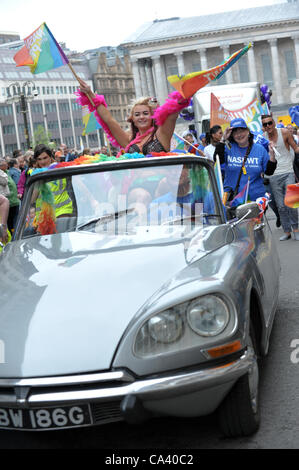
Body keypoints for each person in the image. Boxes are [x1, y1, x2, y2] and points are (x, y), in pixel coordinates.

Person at [76, 77, 190, 155]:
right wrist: (89, 94)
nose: (141, 117)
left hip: (159, 184)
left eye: (146, 113)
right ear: (132, 119)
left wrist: (184, 96)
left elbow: (171, 116)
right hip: (133, 185)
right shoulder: (128, 139)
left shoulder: (161, 134)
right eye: (137, 114)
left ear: (153, 116)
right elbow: (109, 121)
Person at [220, 118, 277, 205]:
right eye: (235, 132)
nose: (239, 135)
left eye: (242, 131)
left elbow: (269, 172)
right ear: (232, 135)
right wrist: (223, 140)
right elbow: (217, 160)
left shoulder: (259, 149)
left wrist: (272, 155)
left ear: (248, 132)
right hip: (233, 200)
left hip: (256, 200)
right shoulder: (228, 148)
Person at [262, 114, 299, 241]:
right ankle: (287, 231)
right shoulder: (263, 139)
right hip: (273, 175)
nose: (268, 126)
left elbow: (295, 148)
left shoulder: (284, 132)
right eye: (265, 124)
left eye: (269, 123)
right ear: (263, 127)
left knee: (291, 202)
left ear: (273, 122)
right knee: (281, 206)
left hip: (288, 171)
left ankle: (296, 229)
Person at [0, 158, 20, 232]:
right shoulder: (2, 174)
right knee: (11, 223)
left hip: (15, 201)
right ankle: (14, 236)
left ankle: (16, 234)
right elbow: (4, 182)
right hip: (8, 203)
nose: (7, 165)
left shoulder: (7, 172)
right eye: (4, 164)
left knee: (16, 222)